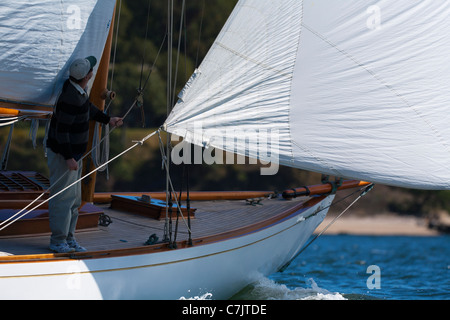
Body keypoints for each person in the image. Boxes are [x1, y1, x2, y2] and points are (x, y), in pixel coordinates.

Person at [46, 56, 123, 253]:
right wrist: (69, 158)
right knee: (63, 199)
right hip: (66, 156)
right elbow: (61, 131)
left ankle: (69, 237)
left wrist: (108, 120)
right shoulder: (70, 98)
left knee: (74, 200)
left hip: (73, 155)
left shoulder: (78, 90)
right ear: (88, 76)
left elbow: (87, 108)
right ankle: (58, 241)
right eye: (91, 70)